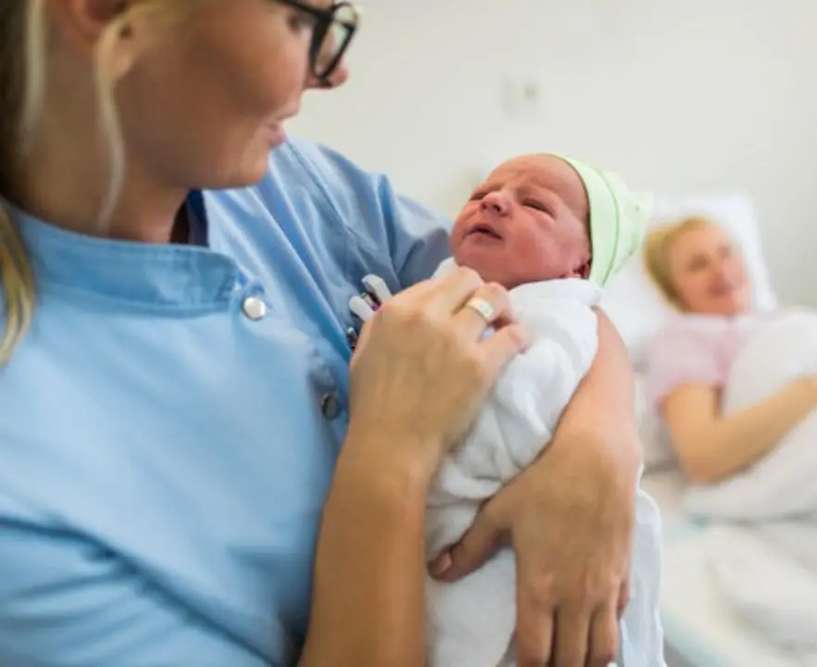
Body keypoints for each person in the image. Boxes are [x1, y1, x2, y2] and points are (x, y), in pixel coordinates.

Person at [0, 2, 642, 666]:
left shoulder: (285, 180)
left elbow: (553, 297)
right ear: (104, 10)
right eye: (300, 21)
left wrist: (598, 444)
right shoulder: (24, 510)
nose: (333, 73)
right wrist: (391, 449)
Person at [421, 153, 663, 666]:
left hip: (508, 557)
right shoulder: (439, 281)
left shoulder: (558, 313)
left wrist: (408, 440)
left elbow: (519, 418)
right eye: (480, 193)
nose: (493, 200)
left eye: (534, 204)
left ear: (579, 266)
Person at [643, 217, 817, 483]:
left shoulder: (778, 318)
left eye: (726, 253)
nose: (721, 270)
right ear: (672, 291)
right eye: (698, 265)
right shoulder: (685, 338)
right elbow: (702, 456)